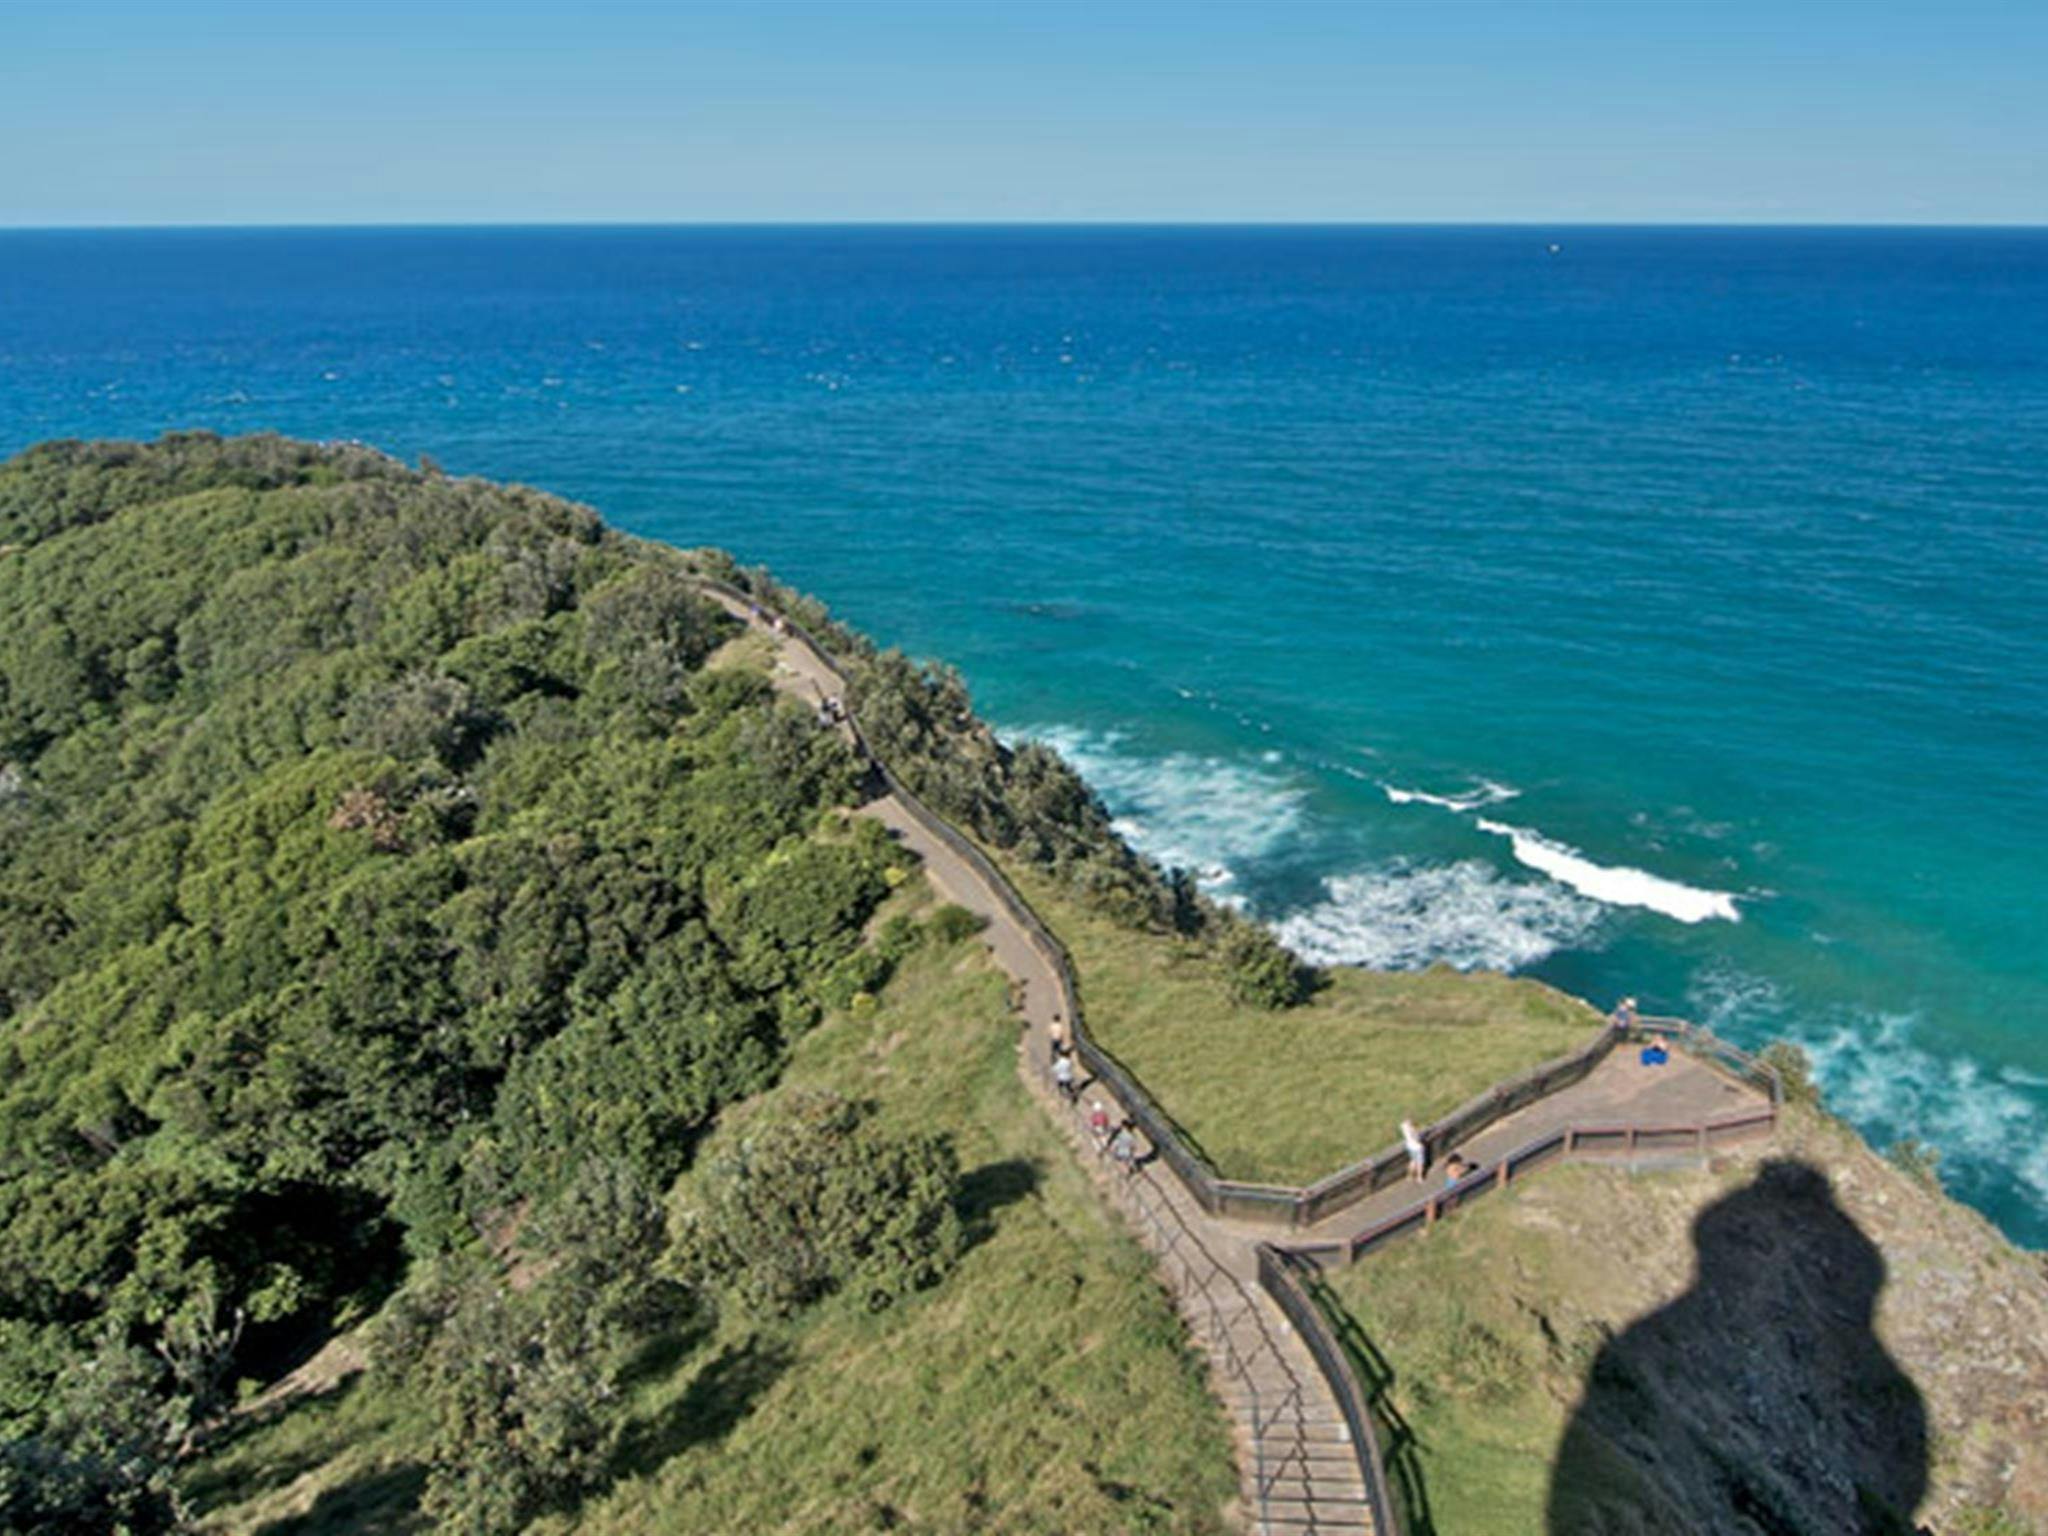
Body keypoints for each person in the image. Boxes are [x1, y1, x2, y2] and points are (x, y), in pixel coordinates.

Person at [1401, 1117, 1428, 1183]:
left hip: (1410, 1147)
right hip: (1417, 1148)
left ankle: (1409, 1176)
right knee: (1420, 1163)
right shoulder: (1413, 1131)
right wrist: (1418, 1132)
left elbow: (1405, 1123)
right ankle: (1419, 1177)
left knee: (1413, 1161)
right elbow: (1418, 1139)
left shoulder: (1404, 1126)